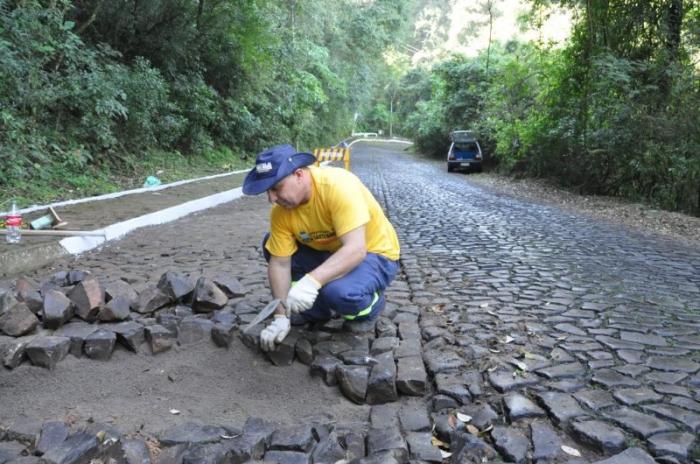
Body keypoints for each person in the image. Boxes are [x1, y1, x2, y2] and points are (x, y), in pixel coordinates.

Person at [242, 144, 400, 352]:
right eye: (267, 191)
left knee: (339, 293)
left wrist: (311, 282)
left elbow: (355, 249)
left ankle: (370, 306)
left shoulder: (338, 187)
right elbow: (280, 264)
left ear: (298, 174)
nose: (271, 199)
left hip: (373, 252)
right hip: (330, 253)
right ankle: (316, 310)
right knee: (271, 245)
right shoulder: (281, 212)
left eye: (276, 188)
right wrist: (281, 315)